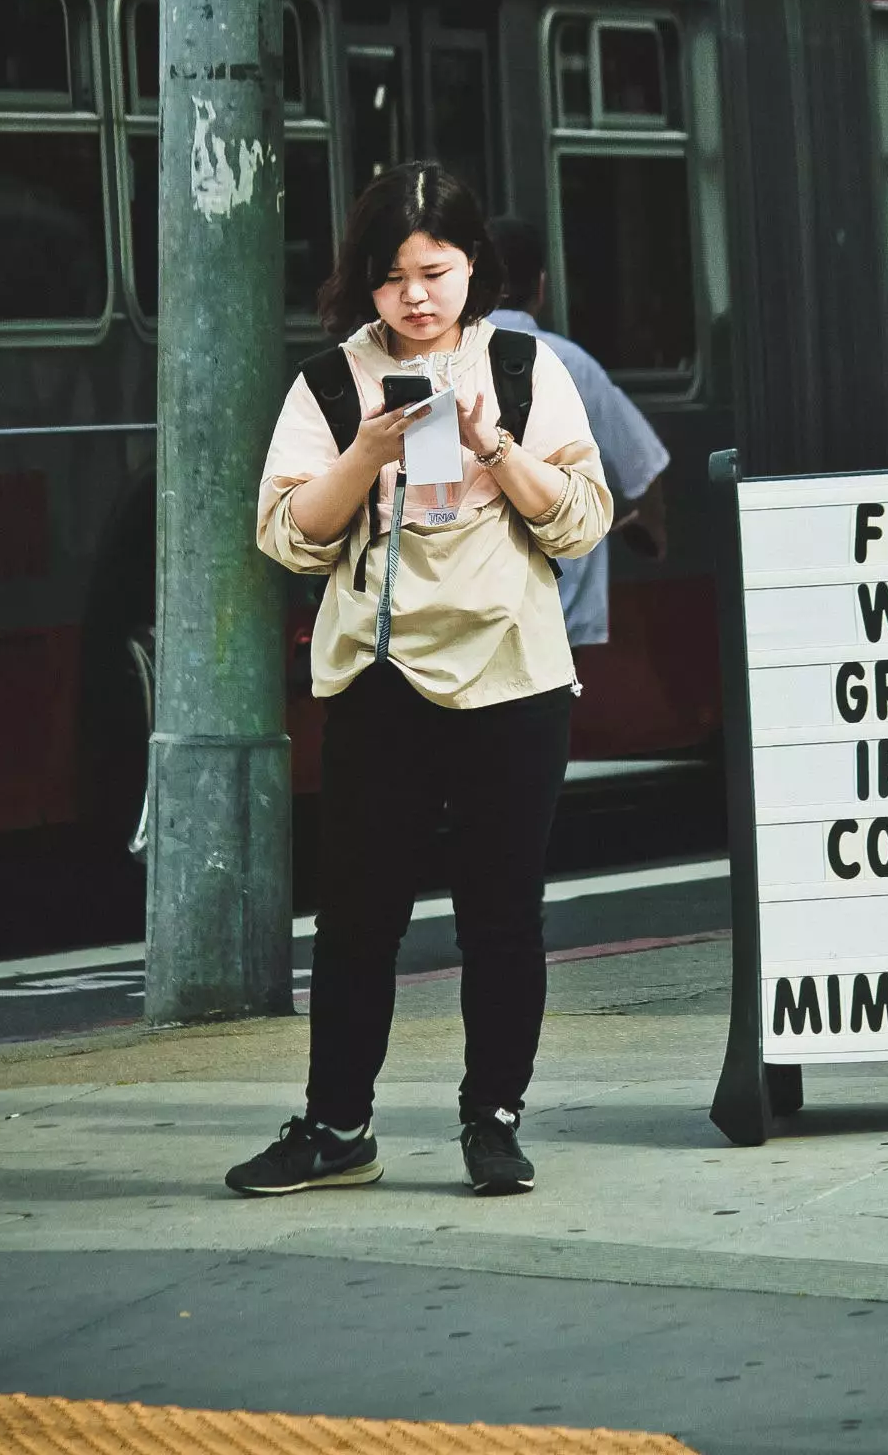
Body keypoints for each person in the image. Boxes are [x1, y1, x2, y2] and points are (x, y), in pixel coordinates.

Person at [227, 162, 610, 1202]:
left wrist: (495, 445)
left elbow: (581, 517)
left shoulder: (524, 369)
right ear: (365, 282)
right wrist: (365, 454)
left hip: (514, 675)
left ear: (471, 267)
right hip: (379, 676)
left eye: (435, 272)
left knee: (502, 915)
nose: (416, 298)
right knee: (357, 919)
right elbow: (289, 538)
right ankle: (337, 1126)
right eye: (392, 277)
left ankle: (493, 1121)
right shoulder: (327, 384)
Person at [486, 216, 670, 652]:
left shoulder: (444, 364)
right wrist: (651, 529)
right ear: (542, 287)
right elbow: (644, 464)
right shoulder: (572, 364)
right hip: (563, 623)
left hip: (475, 626)